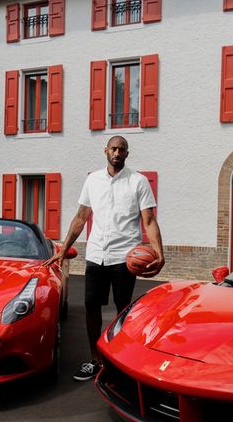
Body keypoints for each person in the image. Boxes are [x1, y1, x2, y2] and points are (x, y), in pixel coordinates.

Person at [44, 135, 164, 381]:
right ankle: (95, 360)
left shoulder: (138, 182)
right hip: (97, 254)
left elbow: (148, 220)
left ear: (127, 154)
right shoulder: (93, 181)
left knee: (123, 310)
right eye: (113, 148)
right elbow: (81, 217)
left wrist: (159, 253)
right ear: (106, 151)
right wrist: (64, 248)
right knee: (92, 308)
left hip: (124, 256)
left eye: (122, 149)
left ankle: (119, 360)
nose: (117, 153)